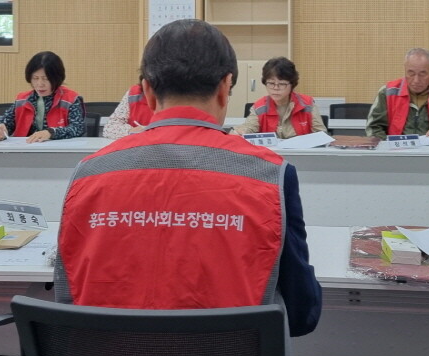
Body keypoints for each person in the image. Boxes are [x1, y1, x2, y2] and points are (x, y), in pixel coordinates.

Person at [55, 19, 321, 338]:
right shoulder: (270, 175)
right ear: (225, 88)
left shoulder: (88, 174)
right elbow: (302, 314)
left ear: (147, 92)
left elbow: (66, 301)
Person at [365, 47, 429, 139]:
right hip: (395, 150)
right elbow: (373, 128)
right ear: (405, 69)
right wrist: (387, 145)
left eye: (422, 74)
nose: (416, 80)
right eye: (411, 73)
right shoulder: (388, 93)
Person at [0, 51, 85, 143]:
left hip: (58, 149)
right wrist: (1, 128)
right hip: (26, 148)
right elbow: (7, 122)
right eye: (35, 78)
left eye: (46, 79)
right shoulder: (22, 100)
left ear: (57, 78)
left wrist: (51, 133)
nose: (40, 84)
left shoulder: (70, 99)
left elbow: (77, 128)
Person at [233, 57, 327, 139]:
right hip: (270, 153)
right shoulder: (259, 107)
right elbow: (249, 127)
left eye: (282, 84)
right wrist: (241, 131)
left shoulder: (307, 104)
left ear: (292, 85)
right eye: (271, 83)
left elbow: (321, 134)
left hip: (301, 152)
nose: (275, 88)